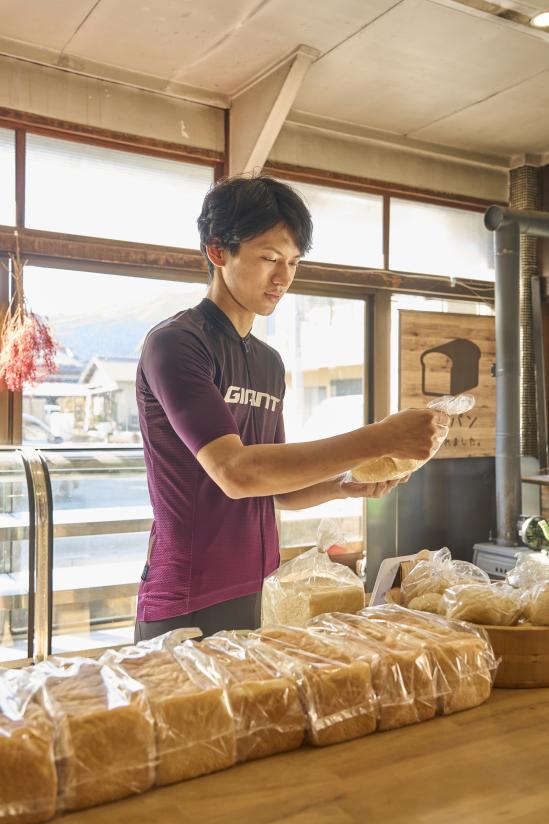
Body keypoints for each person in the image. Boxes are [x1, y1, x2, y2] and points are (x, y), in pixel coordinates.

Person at [134, 175, 448, 641]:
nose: (282, 277)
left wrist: (345, 485)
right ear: (218, 251)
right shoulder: (177, 345)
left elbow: (275, 489)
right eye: (268, 258)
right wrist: (379, 437)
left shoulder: (267, 362)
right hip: (185, 597)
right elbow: (236, 473)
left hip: (260, 587)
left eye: (293, 262)